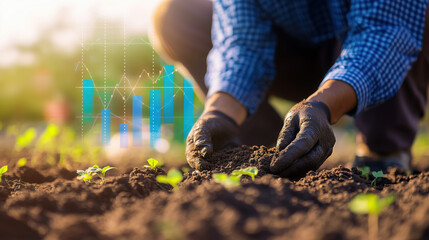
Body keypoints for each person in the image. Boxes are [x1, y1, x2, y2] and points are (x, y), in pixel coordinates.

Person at [151, 0, 429, 178]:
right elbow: (241, 44)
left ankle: (382, 149)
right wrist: (219, 114)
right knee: (177, 16)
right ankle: (265, 150)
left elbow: (385, 31)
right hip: (297, 52)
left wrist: (322, 105)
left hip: (374, 46)